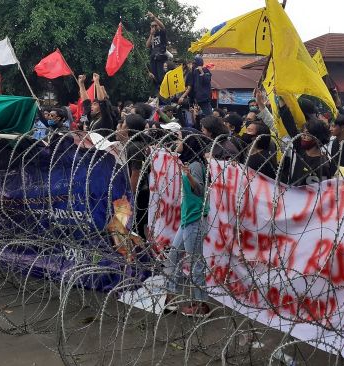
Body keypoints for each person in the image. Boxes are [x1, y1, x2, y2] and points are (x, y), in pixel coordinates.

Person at [164, 130, 211, 317]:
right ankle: (171, 298)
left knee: (196, 264)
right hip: (187, 219)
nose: (178, 142)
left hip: (195, 220)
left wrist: (189, 176)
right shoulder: (189, 163)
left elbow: (200, 191)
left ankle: (202, 306)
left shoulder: (196, 165)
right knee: (173, 256)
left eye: (181, 139)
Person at [118, 114, 151, 239]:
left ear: (129, 128)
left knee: (134, 227)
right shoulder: (142, 143)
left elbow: (135, 174)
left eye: (124, 124)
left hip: (138, 192)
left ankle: (139, 254)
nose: (122, 127)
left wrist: (129, 196)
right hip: (145, 190)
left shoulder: (134, 146)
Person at [280, 119, 336, 186]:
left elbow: (322, 191)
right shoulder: (301, 151)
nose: (303, 136)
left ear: (318, 138)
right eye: (303, 133)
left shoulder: (322, 165)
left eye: (307, 134)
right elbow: (290, 126)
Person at [145, 11, 167, 92]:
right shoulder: (152, 35)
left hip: (160, 56)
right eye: (152, 26)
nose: (153, 27)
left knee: (161, 78)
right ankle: (157, 93)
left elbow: (163, 26)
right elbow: (147, 45)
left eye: (155, 26)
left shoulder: (161, 33)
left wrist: (153, 17)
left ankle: (163, 92)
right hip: (153, 58)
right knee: (154, 78)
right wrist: (151, 34)